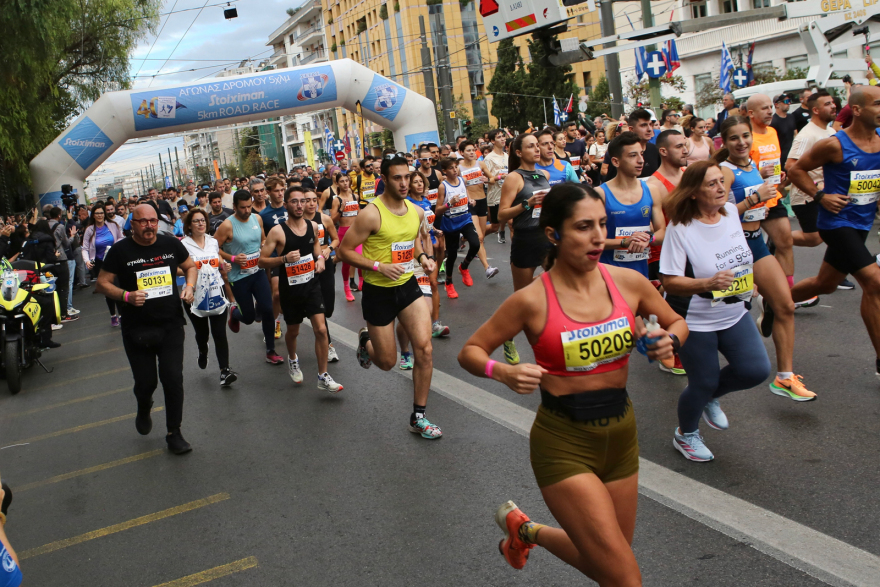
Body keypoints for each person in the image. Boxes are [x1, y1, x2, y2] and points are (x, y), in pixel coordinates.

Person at [458, 182, 687, 581]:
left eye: (601, 224)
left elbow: (676, 322)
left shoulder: (627, 283)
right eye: (583, 227)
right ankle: (528, 531)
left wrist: (669, 341)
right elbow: (471, 352)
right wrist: (505, 372)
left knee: (609, 561)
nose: (598, 236)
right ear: (554, 235)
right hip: (564, 443)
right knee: (625, 577)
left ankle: (527, 531)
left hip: (621, 434)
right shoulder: (531, 299)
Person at [659, 161, 771, 462]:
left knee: (756, 370)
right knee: (703, 381)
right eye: (712, 184)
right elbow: (669, 281)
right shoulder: (680, 228)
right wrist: (707, 282)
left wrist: (750, 282)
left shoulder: (732, 213)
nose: (721, 188)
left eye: (722, 181)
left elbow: (739, 258)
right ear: (694, 192)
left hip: (733, 312)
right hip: (696, 319)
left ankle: (709, 398)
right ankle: (686, 434)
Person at [338, 153, 442, 439]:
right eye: (397, 178)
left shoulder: (415, 211)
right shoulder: (371, 213)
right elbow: (343, 251)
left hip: (407, 287)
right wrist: (378, 266)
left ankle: (418, 416)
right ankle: (366, 341)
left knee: (425, 349)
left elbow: (415, 241)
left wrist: (423, 258)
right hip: (378, 292)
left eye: (407, 176)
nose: (405, 182)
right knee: (387, 362)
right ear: (384, 179)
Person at [715, 116, 816, 401]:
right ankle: (705, 380)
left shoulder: (754, 167)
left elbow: (763, 205)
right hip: (731, 249)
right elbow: (716, 212)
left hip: (756, 244)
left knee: (785, 305)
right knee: (724, 315)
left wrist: (778, 188)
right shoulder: (724, 171)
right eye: (734, 138)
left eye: (745, 136)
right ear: (725, 141)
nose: (742, 142)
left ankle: (784, 377)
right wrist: (755, 197)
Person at [788, 85, 880, 380]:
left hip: (863, 223)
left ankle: (778, 301)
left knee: (826, 284)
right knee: (874, 282)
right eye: (877, 104)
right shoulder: (835, 145)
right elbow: (796, 170)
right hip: (836, 224)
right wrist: (819, 197)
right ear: (857, 109)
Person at [97, 203, 197, 454]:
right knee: (146, 383)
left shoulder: (170, 243)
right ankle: (144, 405)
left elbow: (190, 266)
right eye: (143, 222)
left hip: (171, 324)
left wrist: (190, 287)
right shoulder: (120, 251)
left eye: (153, 221)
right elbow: (102, 283)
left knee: (173, 378)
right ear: (133, 224)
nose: (149, 226)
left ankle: (174, 432)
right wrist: (126, 296)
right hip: (137, 329)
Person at [260, 186, 343, 392]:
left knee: (321, 329)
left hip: (312, 285)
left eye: (302, 201)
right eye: (295, 201)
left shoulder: (313, 226)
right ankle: (293, 358)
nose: (300, 205)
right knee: (293, 332)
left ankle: (322, 376)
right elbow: (262, 261)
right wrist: (283, 259)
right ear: (286, 204)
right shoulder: (277, 231)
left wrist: (321, 259)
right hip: (291, 289)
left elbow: (316, 251)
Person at [785, 90, 855, 290]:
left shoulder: (831, 133)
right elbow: (790, 166)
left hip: (827, 193)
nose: (833, 106)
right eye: (827, 104)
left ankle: (837, 274)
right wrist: (816, 188)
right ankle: (780, 239)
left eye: (833, 103)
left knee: (837, 231)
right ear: (815, 110)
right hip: (807, 195)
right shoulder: (807, 135)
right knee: (815, 237)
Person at [497, 133, 552, 366]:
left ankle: (551, 343)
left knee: (560, 284)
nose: (537, 149)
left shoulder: (544, 174)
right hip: (525, 240)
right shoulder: (514, 178)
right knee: (522, 299)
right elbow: (501, 214)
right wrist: (527, 204)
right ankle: (507, 337)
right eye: (531, 146)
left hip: (547, 238)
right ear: (519, 152)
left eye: (537, 145)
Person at [215, 191, 284, 365]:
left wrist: (264, 246)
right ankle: (235, 313)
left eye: (249, 206)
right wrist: (232, 258)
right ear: (235, 207)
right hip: (239, 277)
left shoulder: (257, 219)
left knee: (268, 309)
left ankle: (270, 351)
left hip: (258, 272)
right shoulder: (227, 225)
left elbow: (263, 239)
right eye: (242, 208)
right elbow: (214, 248)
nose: (246, 210)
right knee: (249, 317)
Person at [180, 208, 238, 387]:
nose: (201, 223)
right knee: (202, 333)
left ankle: (224, 371)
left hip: (216, 292)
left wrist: (224, 265)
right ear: (189, 225)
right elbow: (176, 267)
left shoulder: (213, 242)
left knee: (219, 333)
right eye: (196, 221)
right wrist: (194, 269)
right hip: (194, 296)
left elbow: (218, 260)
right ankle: (202, 350)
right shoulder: (183, 245)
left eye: (203, 220)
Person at [598, 132, 666, 279]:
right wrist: (623, 242)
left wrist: (649, 239)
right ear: (615, 162)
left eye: (641, 154)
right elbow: (591, 240)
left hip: (640, 274)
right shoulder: (600, 194)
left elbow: (662, 232)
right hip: (608, 275)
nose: (641, 160)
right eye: (633, 155)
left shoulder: (652, 190)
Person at [747, 94, 795, 288]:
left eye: (770, 107)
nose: (770, 112)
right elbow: (735, 169)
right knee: (748, 253)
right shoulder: (745, 136)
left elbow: (774, 162)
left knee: (786, 242)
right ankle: (762, 294)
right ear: (751, 113)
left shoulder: (773, 132)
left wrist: (779, 174)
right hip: (751, 200)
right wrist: (759, 172)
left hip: (773, 197)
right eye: (764, 108)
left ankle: (789, 290)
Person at [406, 170, 449, 341]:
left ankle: (435, 323)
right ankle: (413, 325)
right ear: (409, 186)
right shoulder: (407, 204)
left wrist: (435, 230)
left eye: (421, 181)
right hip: (414, 253)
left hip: (429, 248)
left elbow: (427, 227)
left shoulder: (425, 201)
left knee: (433, 284)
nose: (419, 184)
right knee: (417, 290)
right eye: (415, 182)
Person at [303, 187, 343, 363]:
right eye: (307, 200)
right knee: (319, 307)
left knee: (329, 307)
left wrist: (329, 249)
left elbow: (335, 239)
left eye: (314, 200)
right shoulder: (297, 222)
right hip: (308, 267)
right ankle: (328, 346)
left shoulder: (324, 219)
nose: (311, 204)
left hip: (325, 264)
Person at [436, 157, 481, 299]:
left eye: (456, 167)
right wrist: (449, 204)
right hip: (451, 222)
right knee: (452, 254)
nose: (455, 170)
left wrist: (470, 200)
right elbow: (437, 210)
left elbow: (465, 194)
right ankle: (449, 282)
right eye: (451, 168)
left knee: (475, 243)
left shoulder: (462, 180)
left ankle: (464, 267)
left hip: (465, 218)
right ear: (444, 171)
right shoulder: (443, 186)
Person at [458, 142, 500, 280]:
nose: (471, 153)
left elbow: (493, 180)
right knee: (480, 238)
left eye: (473, 150)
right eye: (468, 150)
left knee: (481, 235)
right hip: (469, 203)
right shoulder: (458, 168)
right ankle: (487, 268)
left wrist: (487, 179)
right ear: (461, 152)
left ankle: (463, 239)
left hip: (482, 201)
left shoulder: (480, 164)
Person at [259, 177, 290, 340]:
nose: (280, 193)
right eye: (276, 190)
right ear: (268, 192)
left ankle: (291, 319)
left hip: (295, 256)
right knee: (276, 294)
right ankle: (276, 323)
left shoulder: (290, 207)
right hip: (275, 258)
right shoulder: (263, 215)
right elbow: (263, 240)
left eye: (282, 190)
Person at [83, 202, 123, 326]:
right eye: (97, 213)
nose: (100, 215)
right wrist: (87, 261)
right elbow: (84, 248)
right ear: (93, 215)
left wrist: (115, 247)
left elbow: (121, 238)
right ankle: (113, 315)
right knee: (107, 290)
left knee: (117, 287)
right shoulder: (90, 230)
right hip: (100, 263)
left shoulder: (112, 225)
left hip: (114, 261)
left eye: (101, 213)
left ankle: (121, 315)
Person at [602, 109, 661, 181]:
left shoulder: (654, 150)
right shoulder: (620, 152)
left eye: (650, 125)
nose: (649, 129)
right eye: (643, 125)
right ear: (631, 129)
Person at [333, 173, 364, 302]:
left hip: (356, 231)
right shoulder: (336, 199)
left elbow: (359, 214)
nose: (345, 183)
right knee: (347, 262)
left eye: (346, 181)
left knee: (361, 258)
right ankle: (346, 286)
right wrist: (341, 208)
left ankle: (362, 281)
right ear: (338, 183)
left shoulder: (355, 196)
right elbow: (332, 220)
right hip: (343, 232)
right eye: (342, 181)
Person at [46, 207, 76, 320]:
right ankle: (64, 312)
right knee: (64, 287)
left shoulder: (45, 225)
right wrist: (72, 237)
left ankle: (55, 314)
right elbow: (66, 243)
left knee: (53, 287)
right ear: (59, 215)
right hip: (61, 258)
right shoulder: (60, 226)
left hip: (49, 258)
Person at [483, 131, 510, 245]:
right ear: (492, 141)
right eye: (499, 137)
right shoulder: (489, 158)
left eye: (503, 136)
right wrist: (499, 177)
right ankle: (472, 237)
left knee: (512, 222)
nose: (503, 139)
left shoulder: (506, 155)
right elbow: (485, 181)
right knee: (494, 227)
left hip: (508, 193)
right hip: (495, 195)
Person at [770, 94, 798, 168]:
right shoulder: (772, 121)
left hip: (792, 155)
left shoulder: (791, 117)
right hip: (780, 158)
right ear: (777, 104)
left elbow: (795, 134)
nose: (789, 103)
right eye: (786, 101)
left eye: (789, 101)